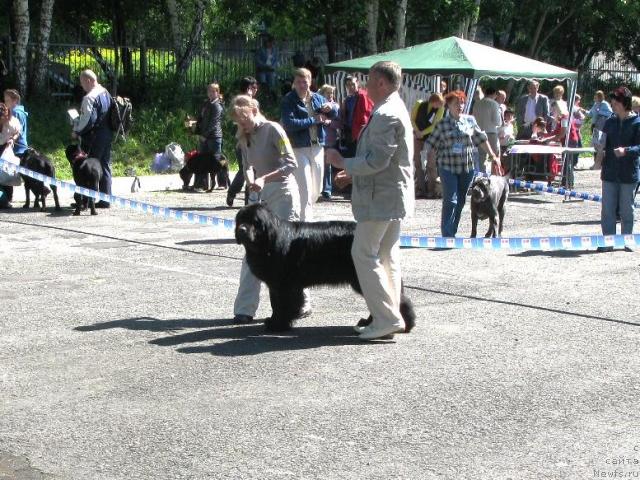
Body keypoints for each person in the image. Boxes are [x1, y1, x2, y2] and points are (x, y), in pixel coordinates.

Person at [326, 61, 414, 341]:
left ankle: (386, 318)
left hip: (382, 199)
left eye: (369, 80)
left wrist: (343, 162)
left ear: (382, 83)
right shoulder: (391, 108)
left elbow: (377, 160)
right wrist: (351, 174)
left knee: (363, 253)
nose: (364, 86)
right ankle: (389, 316)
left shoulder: (387, 113)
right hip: (388, 196)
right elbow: (386, 161)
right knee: (387, 257)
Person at [230, 95, 301, 323]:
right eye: (239, 122)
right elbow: (247, 166)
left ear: (254, 109)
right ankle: (244, 309)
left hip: (282, 193)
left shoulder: (274, 129)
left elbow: (291, 164)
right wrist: (251, 177)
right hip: (259, 196)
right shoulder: (243, 136)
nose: (243, 125)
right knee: (252, 250)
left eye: (245, 119)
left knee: (287, 252)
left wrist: (264, 178)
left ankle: (299, 303)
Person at [426, 90, 500, 237]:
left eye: (462, 103)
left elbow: (481, 139)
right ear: (448, 105)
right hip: (447, 167)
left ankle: (452, 230)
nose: (460, 106)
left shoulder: (470, 121)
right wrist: (430, 166)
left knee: (460, 201)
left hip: (467, 168)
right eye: (456, 103)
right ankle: (447, 235)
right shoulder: (442, 124)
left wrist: (493, 155)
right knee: (451, 200)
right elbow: (432, 145)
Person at [280, 67, 337, 220]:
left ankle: (301, 209)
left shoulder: (317, 98)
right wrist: (314, 120)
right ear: (294, 83)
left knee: (317, 187)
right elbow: (289, 123)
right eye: (298, 82)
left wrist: (331, 107)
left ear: (310, 82)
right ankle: (306, 222)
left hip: (317, 146)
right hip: (299, 148)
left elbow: (334, 112)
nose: (301, 85)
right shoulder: (288, 100)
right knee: (304, 185)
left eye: (304, 82)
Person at [596, 86, 640, 252]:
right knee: (607, 209)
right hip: (609, 172)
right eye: (613, 100)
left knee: (627, 209)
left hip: (629, 174)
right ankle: (608, 240)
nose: (613, 104)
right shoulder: (609, 121)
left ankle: (627, 240)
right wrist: (599, 150)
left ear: (624, 102)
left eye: (616, 101)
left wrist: (626, 151)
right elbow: (602, 143)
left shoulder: (637, 122)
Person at [72, 69, 113, 208]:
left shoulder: (89, 97)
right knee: (104, 166)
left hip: (94, 137)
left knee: (88, 168)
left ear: (88, 80)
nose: (82, 86)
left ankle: (85, 202)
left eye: (82, 82)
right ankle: (106, 199)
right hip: (107, 134)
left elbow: (89, 120)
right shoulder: (105, 92)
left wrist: (77, 131)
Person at [227, 76, 258, 207]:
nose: (256, 90)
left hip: (254, 139)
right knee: (244, 169)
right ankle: (232, 192)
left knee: (253, 170)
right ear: (248, 88)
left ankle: (249, 201)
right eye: (253, 87)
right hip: (243, 140)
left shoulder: (253, 101)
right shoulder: (240, 102)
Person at [411, 93, 445, 198]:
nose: (440, 106)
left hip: (431, 138)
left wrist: (423, 132)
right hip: (417, 137)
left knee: (431, 164)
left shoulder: (440, 109)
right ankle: (420, 189)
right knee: (418, 163)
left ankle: (432, 190)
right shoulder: (419, 104)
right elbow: (412, 119)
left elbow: (435, 125)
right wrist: (417, 131)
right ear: (433, 101)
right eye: (438, 104)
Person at [194, 83, 224, 191]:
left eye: (213, 91)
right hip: (204, 136)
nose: (211, 93)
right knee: (202, 160)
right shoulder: (206, 104)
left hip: (214, 137)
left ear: (217, 92)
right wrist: (198, 132)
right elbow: (201, 119)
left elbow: (214, 123)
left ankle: (223, 182)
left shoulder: (217, 106)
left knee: (218, 160)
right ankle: (202, 184)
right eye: (209, 91)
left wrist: (204, 135)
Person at [340, 74, 374, 157]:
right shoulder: (348, 99)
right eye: (348, 85)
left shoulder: (363, 95)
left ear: (357, 83)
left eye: (352, 84)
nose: (351, 87)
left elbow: (366, 115)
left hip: (360, 133)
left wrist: (362, 132)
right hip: (350, 133)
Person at [317, 84, 340, 200]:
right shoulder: (317, 105)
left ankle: (327, 190)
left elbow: (339, 124)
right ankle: (317, 189)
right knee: (317, 164)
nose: (330, 95)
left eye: (332, 93)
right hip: (317, 140)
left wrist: (329, 122)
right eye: (328, 93)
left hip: (329, 140)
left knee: (327, 165)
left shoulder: (335, 106)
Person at [472, 86, 502, 172]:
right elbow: (497, 122)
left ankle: (482, 177)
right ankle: (494, 176)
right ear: (494, 94)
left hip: (479, 132)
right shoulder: (494, 104)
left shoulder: (476, 103)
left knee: (481, 157)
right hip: (491, 133)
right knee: (494, 156)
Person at [0, 102, 22, 209]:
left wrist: (13, 139)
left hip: (6, 149)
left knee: (7, 173)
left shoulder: (13, 122)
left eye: (4, 118)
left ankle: (8, 199)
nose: (3, 121)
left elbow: (17, 131)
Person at [3, 89, 27, 159]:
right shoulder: (20, 111)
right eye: (5, 100)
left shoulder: (15, 112)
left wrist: (12, 139)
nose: (5, 103)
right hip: (21, 147)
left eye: (7, 100)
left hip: (16, 149)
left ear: (15, 101)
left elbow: (18, 131)